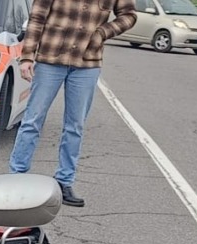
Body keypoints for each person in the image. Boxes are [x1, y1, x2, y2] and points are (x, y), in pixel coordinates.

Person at [8, 0, 136, 207]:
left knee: (75, 126)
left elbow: (129, 15)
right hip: (50, 57)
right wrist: (27, 57)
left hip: (87, 63)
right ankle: (17, 176)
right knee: (32, 120)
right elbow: (37, 17)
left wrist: (103, 32)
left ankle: (64, 181)